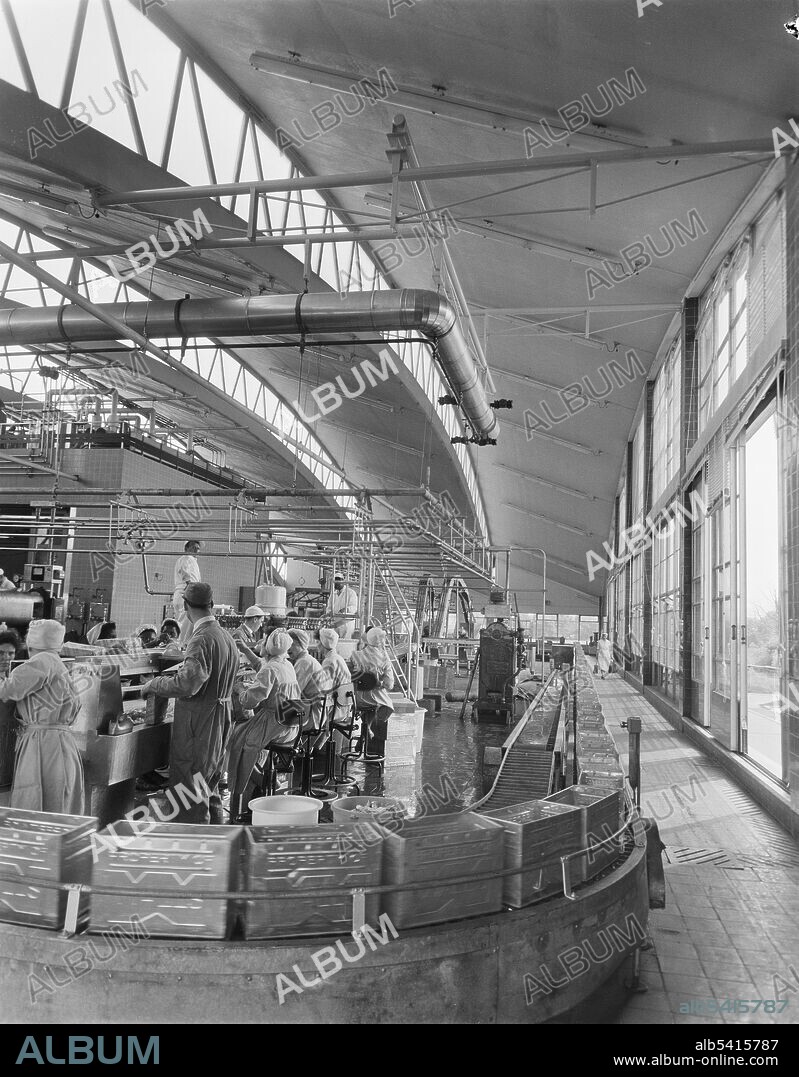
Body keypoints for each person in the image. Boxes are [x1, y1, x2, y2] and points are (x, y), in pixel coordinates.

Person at [141, 582, 239, 824]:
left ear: (185, 606)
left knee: (189, 791)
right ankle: (216, 839)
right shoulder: (226, 637)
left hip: (199, 724)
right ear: (211, 605)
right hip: (221, 719)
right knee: (209, 786)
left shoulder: (202, 639)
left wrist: (154, 684)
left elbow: (187, 684)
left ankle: (193, 841)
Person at [0, 619, 84, 813]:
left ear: (32, 644)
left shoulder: (42, 661)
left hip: (44, 745)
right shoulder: (57, 663)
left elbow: (7, 690)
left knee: (37, 799)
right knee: (57, 802)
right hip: (59, 742)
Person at [227, 629, 301, 815]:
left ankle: (260, 785)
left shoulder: (270, 669)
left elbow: (250, 701)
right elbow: (264, 668)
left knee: (236, 742)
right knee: (245, 742)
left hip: (273, 724)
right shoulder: (287, 665)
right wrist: (245, 649)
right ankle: (261, 784)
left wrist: (240, 689)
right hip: (290, 723)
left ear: (268, 646)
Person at [348, 626, 395, 759]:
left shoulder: (355, 655)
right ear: (381, 641)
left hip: (356, 699)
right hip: (374, 699)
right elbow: (389, 685)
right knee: (386, 706)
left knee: (368, 707)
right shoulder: (384, 659)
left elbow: (348, 676)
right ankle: (367, 730)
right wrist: (378, 682)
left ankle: (365, 731)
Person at [288, 629, 333, 734]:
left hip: (311, 716)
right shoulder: (305, 659)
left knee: (272, 720)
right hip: (314, 712)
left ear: (301, 645)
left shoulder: (304, 662)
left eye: (292, 644)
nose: (288, 649)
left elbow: (293, 692)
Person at [172, 539, 202, 644]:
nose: (196, 550)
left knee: (185, 622)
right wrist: (191, 587)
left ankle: (182, 644)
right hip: (185, 592)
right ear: (186, 548)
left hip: (186, 593)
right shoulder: (187, 558)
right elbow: (185, 573)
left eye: (198, 548)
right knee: (184, 623)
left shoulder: (192, 560)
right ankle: (180, 645)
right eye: (194, 547)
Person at [325, 572, 358, 639]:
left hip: (346, 623)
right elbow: (329, 607)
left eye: (338, 582)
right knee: (334, 641)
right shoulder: (333, 594)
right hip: (335, 623)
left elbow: (354, 607)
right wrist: (329, 613)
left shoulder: (351, 593)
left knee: (345, 642)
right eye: (335, 582)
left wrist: (346, 609)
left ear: (343, 581)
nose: (336, 584)